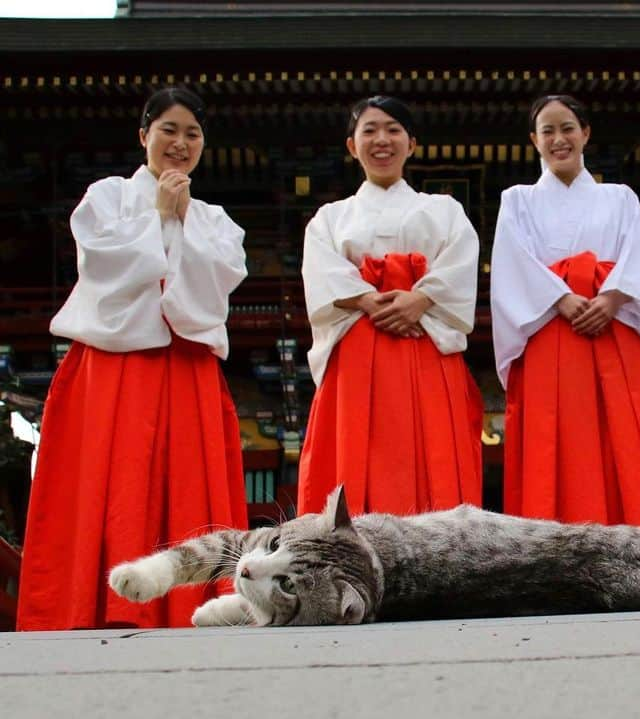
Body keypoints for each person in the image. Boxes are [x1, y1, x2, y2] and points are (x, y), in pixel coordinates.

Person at [17, 87, 249, 630]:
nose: (180, 143)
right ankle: (96, 605)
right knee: (109, 486)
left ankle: (192, 606)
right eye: (168, 129)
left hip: (187, 367)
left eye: (193, 133)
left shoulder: (215, 219)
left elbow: (217, 286)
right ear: (144, 135)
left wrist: (182, 221)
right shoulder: (106, 196)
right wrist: (159, 218)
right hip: (111, 368)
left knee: (188, 489)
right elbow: (100, 267)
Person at [491, 95, 640, 541]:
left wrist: (614, 298)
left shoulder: (619, 197)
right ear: (534, 141)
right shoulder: (517, 200)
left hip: (613, 327)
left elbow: (639, 252)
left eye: (568, 128)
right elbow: (511, 262)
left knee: (627, 443)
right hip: (549, 332)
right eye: (548, 131)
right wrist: (561, 299)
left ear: (585, 133)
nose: (559, 139)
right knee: (555, 448)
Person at [297, 96, 482, 516]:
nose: (382, 139)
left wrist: (421, 297)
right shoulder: (329, 217)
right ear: (352, 146)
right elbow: (320, 272)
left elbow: (461, 259)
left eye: (394, 130)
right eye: (370, 130)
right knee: (351, 459)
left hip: (427, 343)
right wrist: (366, 298)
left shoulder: (444, 210)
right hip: (357, 350)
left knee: (432, 455)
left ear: (412, 143)